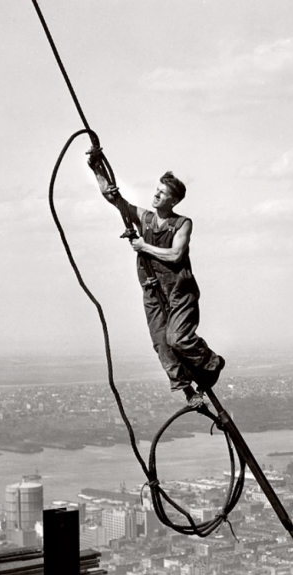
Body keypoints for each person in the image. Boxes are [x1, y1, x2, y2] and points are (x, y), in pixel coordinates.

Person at [88, 151, 224, 407]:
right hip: (152, 290)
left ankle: (212, 363)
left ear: (173, 200)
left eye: (163, 193)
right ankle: (188, 393)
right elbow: (114, 199)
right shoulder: (146, 219)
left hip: (179, 292)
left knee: (178, 339)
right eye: (156, 189)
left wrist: (143, 247)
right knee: (162, 344)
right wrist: (97, 168)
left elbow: (175, 255)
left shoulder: (182, 223)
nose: (156, 194)